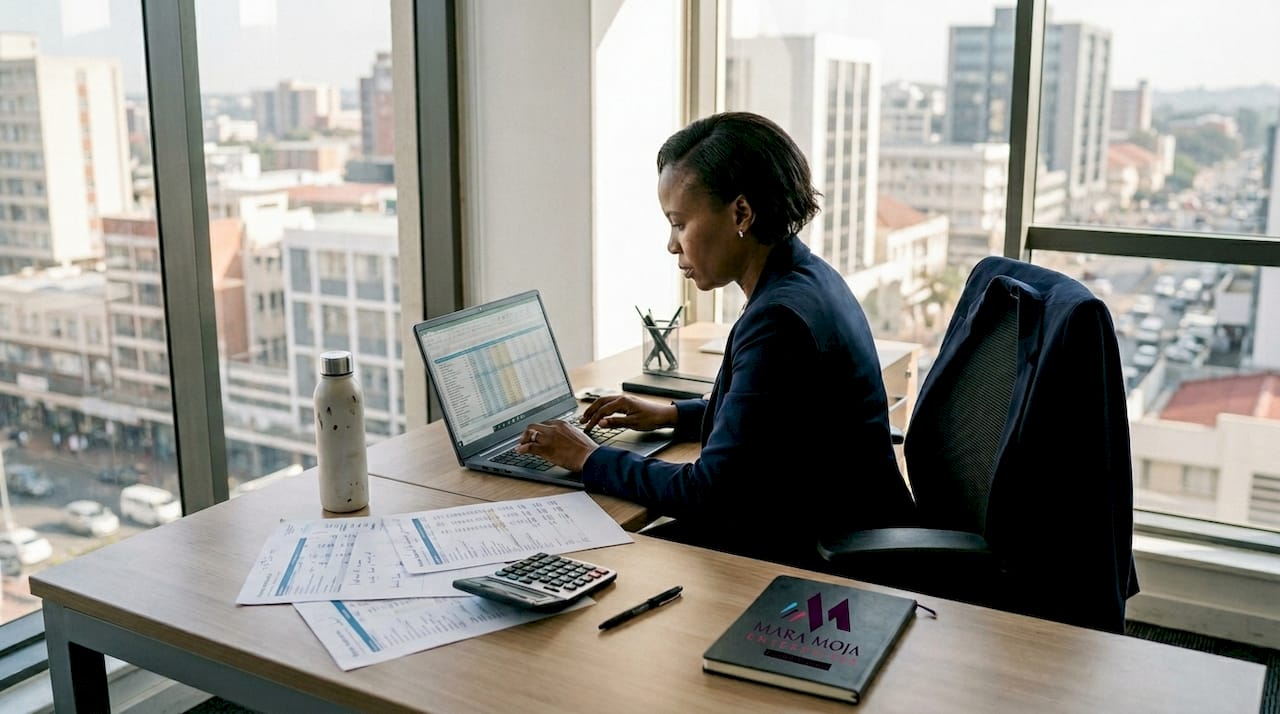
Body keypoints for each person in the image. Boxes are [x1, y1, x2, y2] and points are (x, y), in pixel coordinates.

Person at [517, 112, 914, 565]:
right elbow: (771, 420)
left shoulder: (779, 320)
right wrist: (670, 413)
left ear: (741, 212)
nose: (672, 244)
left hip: (822, 559)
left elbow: (711, 492)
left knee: (603, 558)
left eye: (679, 223)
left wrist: (588, 458)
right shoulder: (806, 278)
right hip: (827, 521)